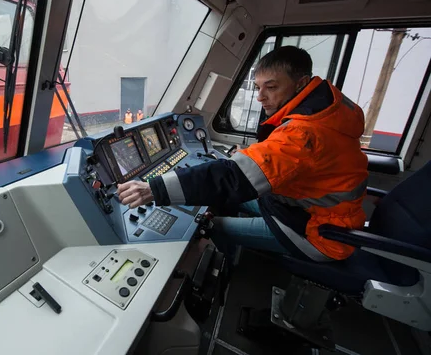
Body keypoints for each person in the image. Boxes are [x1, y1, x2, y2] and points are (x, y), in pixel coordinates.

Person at [117, 46, 368, 262]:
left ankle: (222, 284)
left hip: (318, 234)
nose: (260, 97)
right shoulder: (324, 115)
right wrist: (245, 158)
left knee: (206, 225)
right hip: (304, 211)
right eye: (258, 87)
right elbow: (280, 160)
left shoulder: (305, 132)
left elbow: (233, 177)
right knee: (224, 199)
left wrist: (154, 189)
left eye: (271, 87)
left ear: (301, 84)